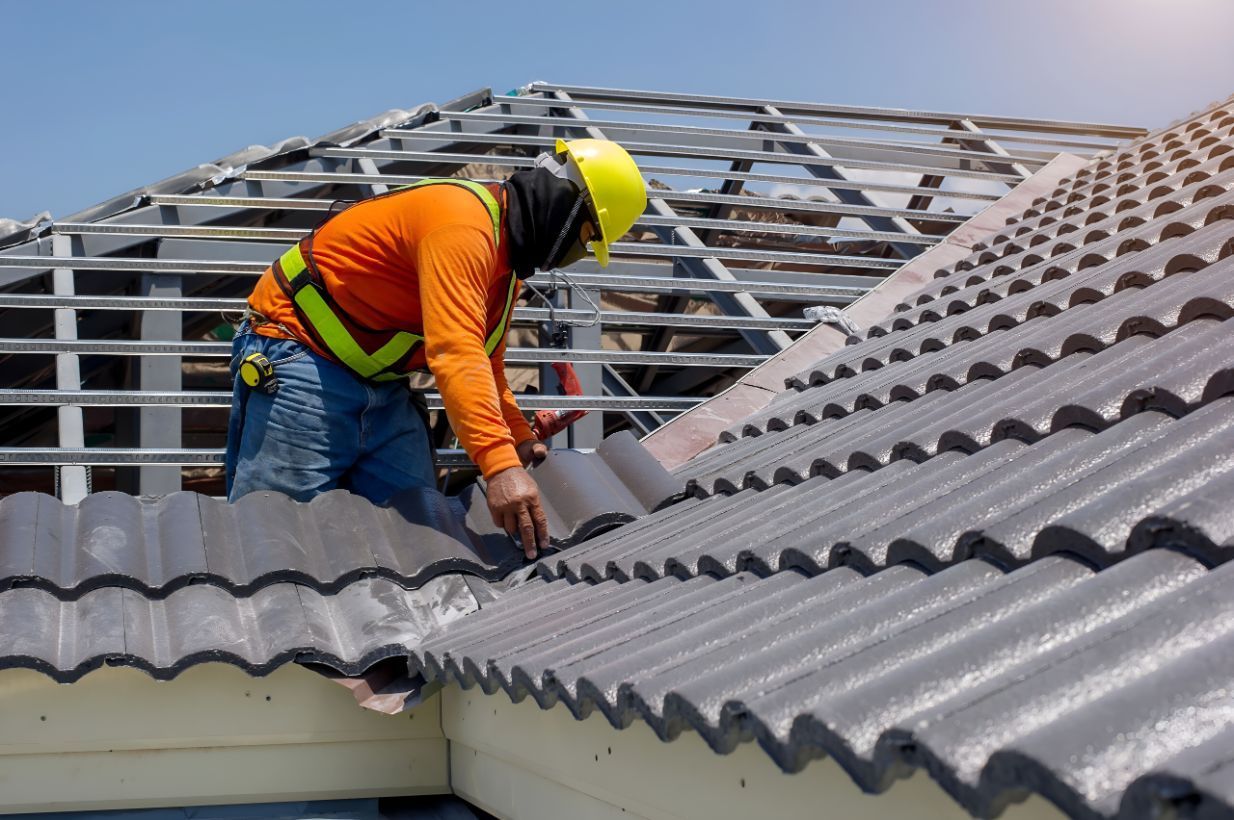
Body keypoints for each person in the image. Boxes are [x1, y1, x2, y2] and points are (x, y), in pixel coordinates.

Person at [224, 139, 646, 558]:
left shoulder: (505, 264)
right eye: (587, 238)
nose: (578, 254)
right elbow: (456, 352)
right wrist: (499, 466)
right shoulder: (462, 224)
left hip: (381, 384)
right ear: (566, 207)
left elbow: (486, 361)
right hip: (298, 357)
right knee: (279, 536)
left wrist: (517, 436)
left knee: (417, 536)